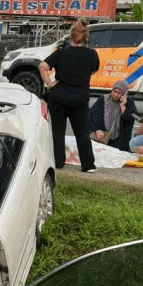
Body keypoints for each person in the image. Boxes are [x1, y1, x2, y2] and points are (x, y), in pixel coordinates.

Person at [39, 19, 101, 172]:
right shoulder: (92, 54)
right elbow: (94, 70)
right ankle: (88, 165)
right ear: (86, 38)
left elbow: (42, 66)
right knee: (82, 132)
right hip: (80, 96)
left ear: (70, 37)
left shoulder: (60, 53)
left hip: (59, 95)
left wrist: (49, 83)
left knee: (58, 131)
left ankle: (58, 162)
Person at [88, 80, 138, 152]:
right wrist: (97, 129)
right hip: (102, 137)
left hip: (119, 141)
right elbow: (93, 116)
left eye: (119, 93)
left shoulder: (129, 102)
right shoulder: (103, 100)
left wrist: (123, 107)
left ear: (124, 94)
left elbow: (129, 120)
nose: (115, 94)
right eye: (114, 91)